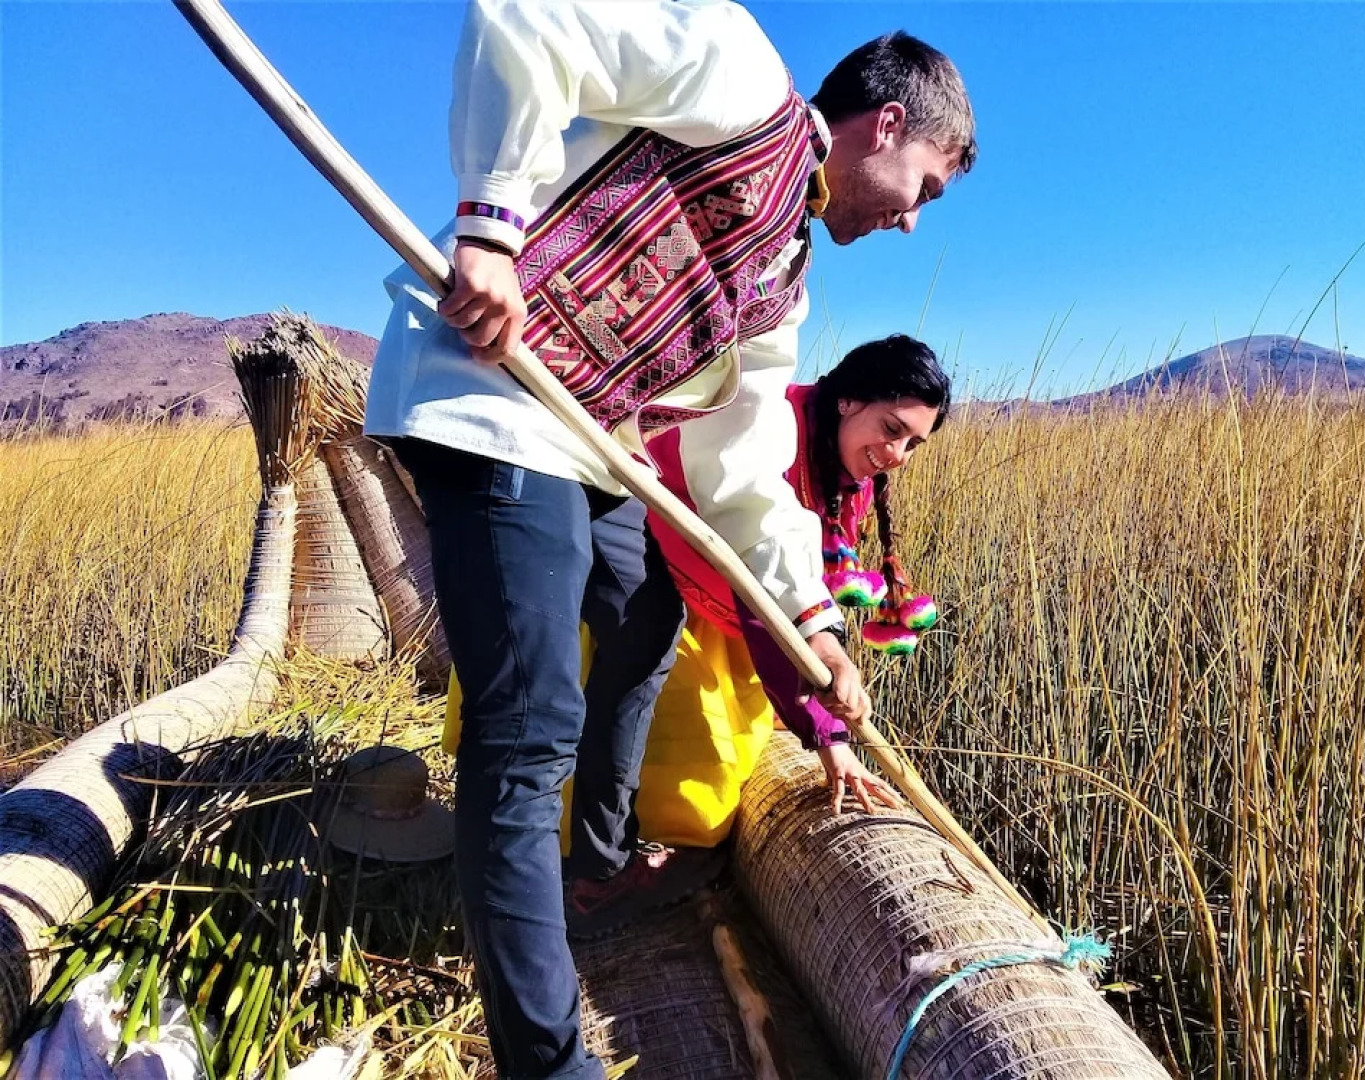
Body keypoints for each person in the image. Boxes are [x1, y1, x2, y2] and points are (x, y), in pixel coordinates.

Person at [363, 1, 977, 1075]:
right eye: (927, 188)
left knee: (640, 616)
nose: (916, 221)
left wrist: (815, 629)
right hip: (494, 397)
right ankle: (549, 1060)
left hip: (589, 443)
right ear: (885, 124)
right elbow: (525, 18)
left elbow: (741, 471)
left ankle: (595, 866)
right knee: (530, 725)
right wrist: (492, 230)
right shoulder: (737, 71)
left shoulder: (781, 285)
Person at [561, 335, 950, 934]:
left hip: (730, 598)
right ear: (848, 401)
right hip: (659, 568)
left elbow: (800, 578)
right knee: (683, 741)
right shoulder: (771, 438)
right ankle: (609, 866)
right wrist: (828, 734)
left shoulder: (849, 464)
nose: (898, 453)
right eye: (892, 428)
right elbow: (759, 580)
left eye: (913, 443)